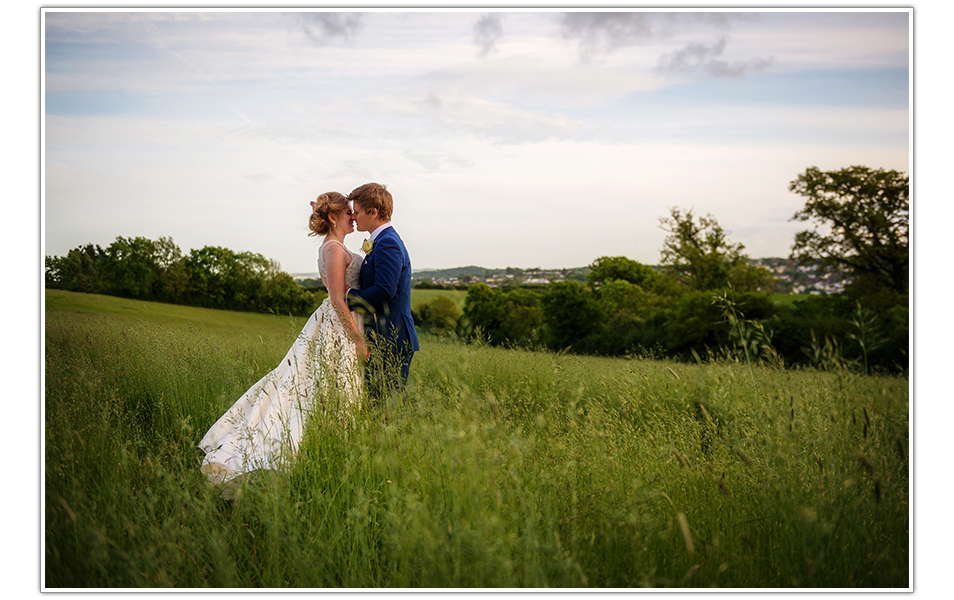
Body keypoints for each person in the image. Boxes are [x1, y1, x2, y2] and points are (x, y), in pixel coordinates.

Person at [198, 192, 369, 489]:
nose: (353, 217)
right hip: (339, 323)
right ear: (333, 217)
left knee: (322, 384)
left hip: (344, 319)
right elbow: (338, 300)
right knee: (315, 385)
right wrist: (356, 339)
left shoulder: (338, 246)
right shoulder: (333, 249)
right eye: (347, 214)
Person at [346, 183, 419, 398]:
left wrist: (348, 294)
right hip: (383, 336)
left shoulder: (388, 243)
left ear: (373, 212)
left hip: (392, 338)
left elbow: (384, 291)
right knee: (376, 402)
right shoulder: (381, 240)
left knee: (385, 406)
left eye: (357, 212)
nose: (353, 217)